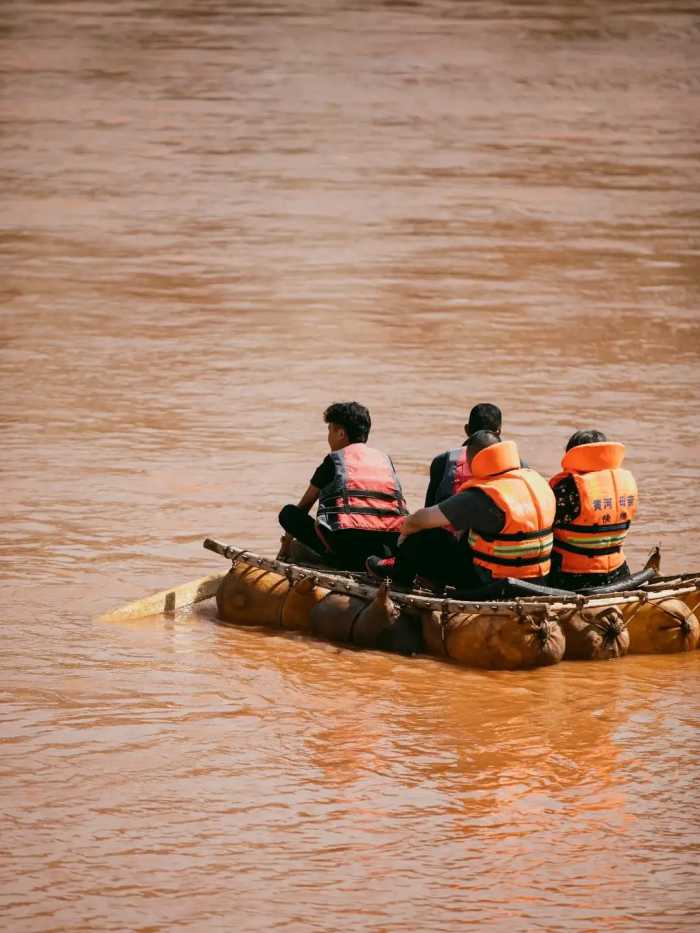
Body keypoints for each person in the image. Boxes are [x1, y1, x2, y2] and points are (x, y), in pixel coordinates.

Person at [367, 431, 555, 590]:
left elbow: (421, 519)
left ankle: (400, 577)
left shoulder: (482, 495)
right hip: (538, 578)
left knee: (426, 534)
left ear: (473, 459)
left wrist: (404, 533)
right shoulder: (535, 480)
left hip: (491, 581)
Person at [278, 402, 408, 572]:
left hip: (347, 547)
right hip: (388, 547)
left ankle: (332, 559)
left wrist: (286, 545)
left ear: (340, 433)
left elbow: (304, 506)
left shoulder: (334, 460)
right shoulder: (384, 460)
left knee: (289, 514)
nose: (329, 437)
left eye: (330, 430)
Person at [548, 429, 638, 591]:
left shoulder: (568, 487)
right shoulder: (625, 481)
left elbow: (543, 524)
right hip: (619, 572)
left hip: (573, 577)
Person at [424, 402, 502, 507]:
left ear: (466, 429)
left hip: (447, 520)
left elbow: (428, 508)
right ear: (498, 432)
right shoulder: (515, 463)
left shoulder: (443, 461)